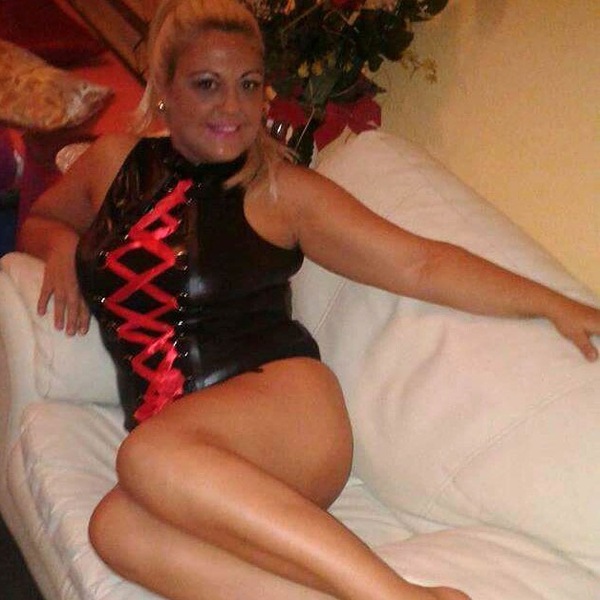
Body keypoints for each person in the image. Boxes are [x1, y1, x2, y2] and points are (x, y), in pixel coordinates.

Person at [18, 0, 600, 599]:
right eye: (207, 84)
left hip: (285, 412)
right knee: (115, 527)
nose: (232, 106)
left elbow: (419, 263)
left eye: (248, 85)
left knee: (144, 458)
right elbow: (39, 219)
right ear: (163, 90)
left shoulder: (281, 191)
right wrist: (61, 246)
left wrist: (554, 303)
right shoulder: (111, 163)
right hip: (183, 446)